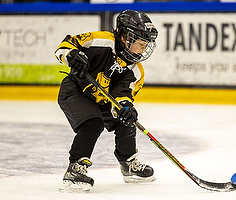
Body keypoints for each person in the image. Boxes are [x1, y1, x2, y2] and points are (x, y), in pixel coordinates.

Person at [54, 10, 158, 192]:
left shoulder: (135, 70)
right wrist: (72, 56)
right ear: (126, 37)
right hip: (76, 91)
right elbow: (65, 45)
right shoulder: (101, 41)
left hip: (103, 101)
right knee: (93, 123)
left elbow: (123, 93)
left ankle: (128, 163)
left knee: (127, 121)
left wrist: (125, 107)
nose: (143, 49)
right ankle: (75, 168)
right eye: (141, 44)